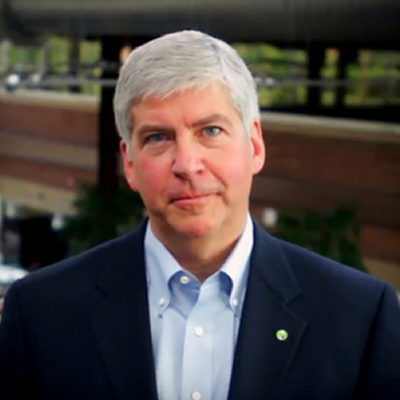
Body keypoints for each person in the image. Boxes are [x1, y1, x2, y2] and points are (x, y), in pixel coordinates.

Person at [0, 30, 399, 400]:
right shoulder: (40, 314)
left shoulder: (359, 317)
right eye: (158, 137)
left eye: (210, 131)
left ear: (255, 146)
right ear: (130, 163)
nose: (188, 164)